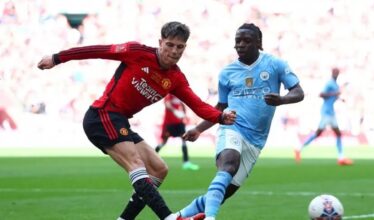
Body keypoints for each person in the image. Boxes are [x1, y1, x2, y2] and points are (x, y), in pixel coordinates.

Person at [37, 21, 236, 220]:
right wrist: (57, 58)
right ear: (160, 42)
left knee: (159, 169)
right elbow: (96, 50)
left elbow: (198, 104)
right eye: (169, 45)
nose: (174, 51)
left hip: (120, 121)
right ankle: (169, 217)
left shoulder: (175, 78)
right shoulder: (136, 52)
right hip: (102, 115)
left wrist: (220, 117)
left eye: (180, 47)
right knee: (136, 163)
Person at [176, 23, 304, 220]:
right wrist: (200, 129)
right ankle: (210, 217)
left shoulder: (275, 64)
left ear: (259, 43)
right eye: (238, 41)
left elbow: (298, 92)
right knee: (229, 164)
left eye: (246, 41)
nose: (241, 45)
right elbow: (220, 107)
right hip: (232, 127)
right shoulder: (227, 73)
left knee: (224, 193)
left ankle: (178, 216)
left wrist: (282, 99)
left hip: (256, 140)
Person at [295, 67, 353, 166]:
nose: (336, 74)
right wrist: (335, 93)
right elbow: (321, 94)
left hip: (331, 112)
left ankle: (341, 158)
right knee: (318, 133)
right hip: (326, 112)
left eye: (337, 72)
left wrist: (339, 99)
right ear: (332, 73)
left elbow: (333, 96)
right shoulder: (329, 83)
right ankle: (299, 148)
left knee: (338, 134)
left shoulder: (335, 84)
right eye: (335, 72)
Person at [155, 94, 200, 171]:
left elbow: (182, 103)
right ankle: (149, 158)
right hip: (169, 122)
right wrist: (175, 111)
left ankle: (186, 163)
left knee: (184, 139)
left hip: (179, 122)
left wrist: (184, 113)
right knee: (163, 142)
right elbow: (167, 104)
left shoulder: (178, 94)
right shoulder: (169, 94)